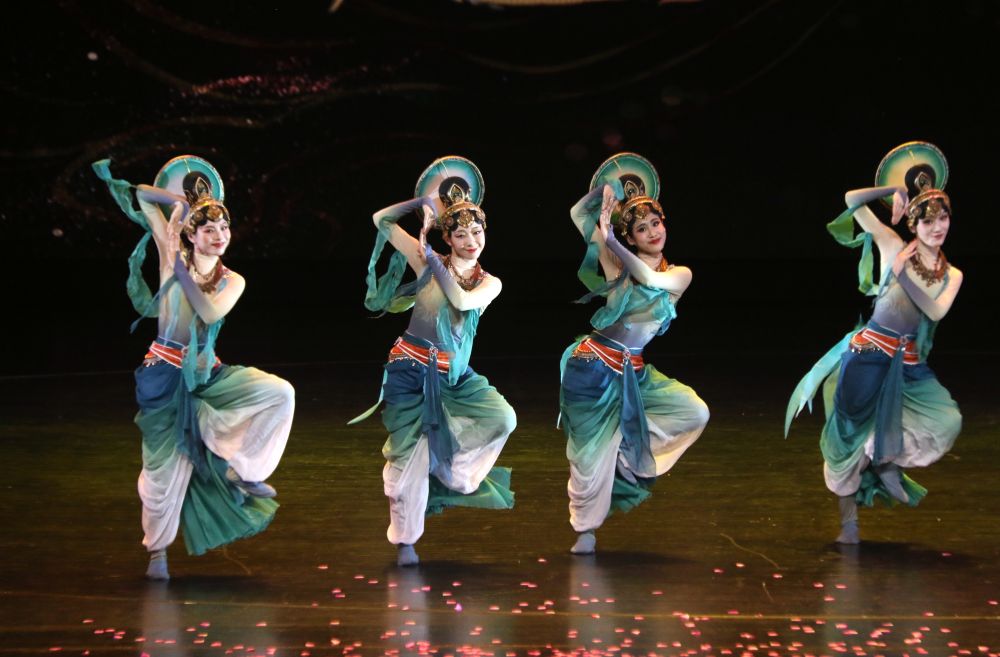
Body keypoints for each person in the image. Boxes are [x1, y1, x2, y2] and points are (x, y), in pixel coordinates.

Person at [93, 156, 294, 580]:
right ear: (190, 232)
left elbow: (207, 309)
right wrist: (179, 206)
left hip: (208, 375)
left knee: (279, 393)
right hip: (165, 375)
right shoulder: (170, 251)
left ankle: (243, 472)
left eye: (224, 228)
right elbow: (142, 195)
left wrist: (182, 269)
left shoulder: (232, 280)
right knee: (162, 473)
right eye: (209, 229)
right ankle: (157, 552)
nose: (219, 236)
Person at [786, 141, 963, 544]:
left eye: (943, 218)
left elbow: (935, 312)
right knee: (847, 435)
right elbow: (852, 200)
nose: (937, 227)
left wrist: (904, 276)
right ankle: (849, 522)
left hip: (909, 365)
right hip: (868, 355)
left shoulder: (952, 275)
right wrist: (891, 190)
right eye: (928, 221)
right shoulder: (892, 246)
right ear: (913, 225)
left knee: (947, 420)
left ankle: (884, 460)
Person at [350, 156, 515, 566]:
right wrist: (422, 202)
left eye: (477, 231)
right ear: (448, 237)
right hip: (411, 371)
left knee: (502, 418)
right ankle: (405, 541)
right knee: (408, 458)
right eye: (460, 233)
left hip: (455, 378)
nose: (471, 240)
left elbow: (461, 300)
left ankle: (448, 474)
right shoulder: (425, 259)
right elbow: (381, 220)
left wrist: (430, 255)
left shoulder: (489, 282)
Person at [559, 152, 709, 555]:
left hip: (635, 372)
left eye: (655, 223)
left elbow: (648, 278)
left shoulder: (678, 275)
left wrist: (611, 238)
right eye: (641, 228)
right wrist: (604, 193)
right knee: (587, 457)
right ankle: (585, 532)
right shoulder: (615, 264)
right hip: (592, 366)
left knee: (694, 412)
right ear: (631, 238)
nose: (652, 232)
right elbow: (577, 214)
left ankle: (626, 458)